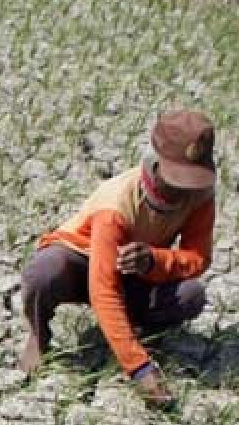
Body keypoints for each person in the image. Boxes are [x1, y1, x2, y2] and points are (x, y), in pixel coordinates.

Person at [19, 109, 216, 407]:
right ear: (156, 164)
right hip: (84, 266)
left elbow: (198, 258)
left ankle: (146, 334)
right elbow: (103, 291)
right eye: (178, 179)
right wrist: (140, 369)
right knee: (43, 272)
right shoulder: (116, 204)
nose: (183, 191)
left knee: (191, 294)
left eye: (191, 181)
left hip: (135, 273)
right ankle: (38, 334)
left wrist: (153, 261)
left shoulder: (200, 197)